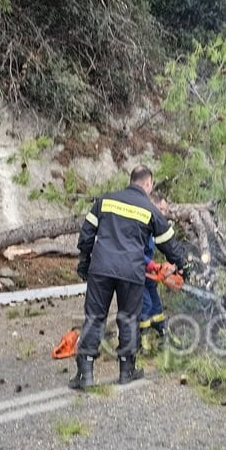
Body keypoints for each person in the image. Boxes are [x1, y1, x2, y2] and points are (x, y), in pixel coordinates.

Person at [71, 165, 186, 390]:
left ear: (130, 180)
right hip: (131, 272)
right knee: (128, 318)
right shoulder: (149, 210)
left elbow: (86, 235)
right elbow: (169, 244)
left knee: (95, 317)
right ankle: (126, 370)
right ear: (148, 184)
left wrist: (84, 263)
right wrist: (183, 267)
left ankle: (85, 374)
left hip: (101, 268)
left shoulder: (105, 201)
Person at [140, 192, 170, 349]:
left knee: (156, 305)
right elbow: (135, 251)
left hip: (148, 272)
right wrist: (152, 265)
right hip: (137, 272)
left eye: (165, 210)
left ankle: (162, 336)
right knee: (145, 305)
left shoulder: (153, 226)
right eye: (161, 209)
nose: (163, 214)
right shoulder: (141, 224)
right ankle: (142, 342)